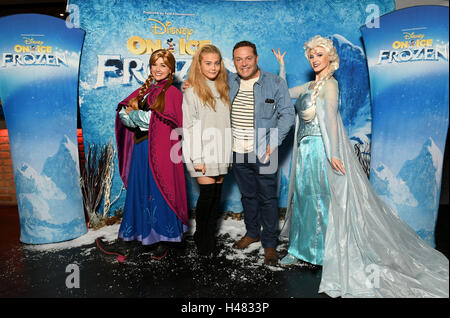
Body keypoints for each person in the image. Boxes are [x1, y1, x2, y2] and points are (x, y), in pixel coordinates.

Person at [273, 35, 449, 297]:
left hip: (322, 150)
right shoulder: (310, 85)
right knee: (304, 199)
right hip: (305, 151)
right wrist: (283, 69)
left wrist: (333, 153)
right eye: (311, 55)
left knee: (323, 200)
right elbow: (284, 96)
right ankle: (299, 250)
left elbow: (331, 121)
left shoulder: (330, 86)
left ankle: (324, 253)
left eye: (319, 54)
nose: (314, 59)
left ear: (329, 58)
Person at [114, 49, 188, 260]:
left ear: (171, 69)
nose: (158, 69)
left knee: (160, 191)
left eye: (163, 65)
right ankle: (141, 234)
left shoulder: (173, 94)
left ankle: (164, 239)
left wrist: (135, 115)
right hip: (141, 151)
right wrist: (136, 117)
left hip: (161, 151)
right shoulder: (144, 91)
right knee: (141, 189)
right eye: (155, 64)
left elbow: (151, 121)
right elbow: (123, 115)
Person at [229, 41, 294, 266]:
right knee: (248, 196)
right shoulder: (229, 81)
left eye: (248, 58)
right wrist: (189, 84)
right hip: (238, 151)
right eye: (239, 59)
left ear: (256, 58)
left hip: (265, 151)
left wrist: (273, 143)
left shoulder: (275, 83)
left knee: (267, 198)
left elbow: (288, 114)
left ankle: (269, 245)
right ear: (234, 61)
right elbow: (203, 75)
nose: (244, 63)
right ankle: (252, 232)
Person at [182, 44, 232, 256]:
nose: (213, 67)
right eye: (208, 63)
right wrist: (197, 157)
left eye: (216, 63)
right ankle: (203, 238)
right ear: (199, 65)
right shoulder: (192, 90)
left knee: (216, 196)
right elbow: (189, 126)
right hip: (201, 150)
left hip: (222, 148)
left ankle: (209, 234)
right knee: (207, 195)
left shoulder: (225, 88)